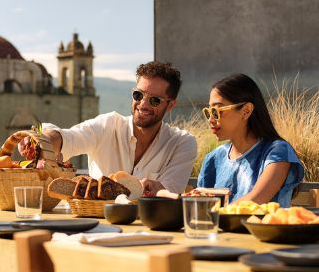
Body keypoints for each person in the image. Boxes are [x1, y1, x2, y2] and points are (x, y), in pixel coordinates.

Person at [19, 61, 197, 196]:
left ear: (171, 105)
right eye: (138, 95)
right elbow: (70, 138)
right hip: (98, 228)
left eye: (154, 100)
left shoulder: (182, 143)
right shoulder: (108, 125)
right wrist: (44, 140)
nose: (142, 104)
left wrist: (156, 187)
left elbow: (170, 191)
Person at [197, 73, 304, 207]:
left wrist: (213, 213)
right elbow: (200, 206)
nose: (211, 120)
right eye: (208, 112)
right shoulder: (213, 158)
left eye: (217, 111)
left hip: (263, 227)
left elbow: (256, 200)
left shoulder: (277, 153)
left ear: (246, 111)